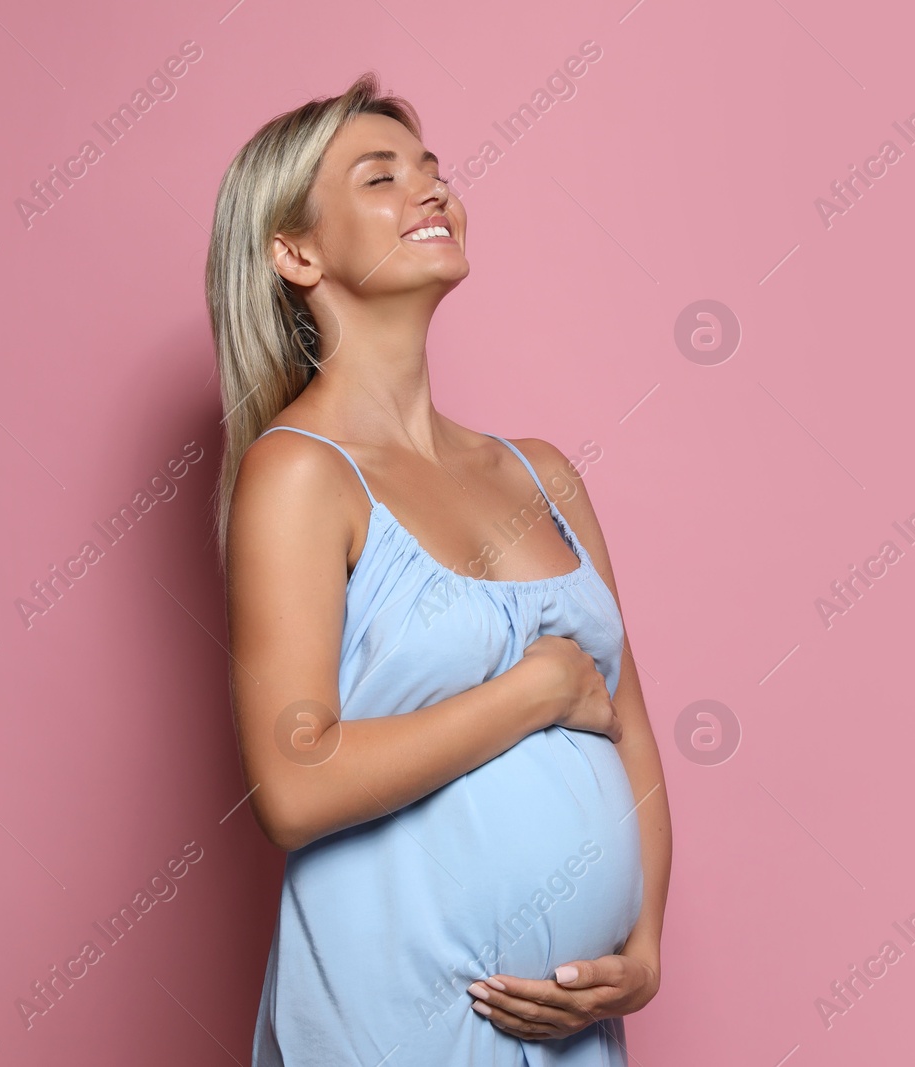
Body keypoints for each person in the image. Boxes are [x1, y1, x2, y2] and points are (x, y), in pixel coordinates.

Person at [205, 70, 672, 1065]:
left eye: (431, 170)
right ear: (295, 251)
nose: (430, 190)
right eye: (380, 178)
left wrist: (644, 947)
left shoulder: (539, 471)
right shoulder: (299, 474)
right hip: (395, 1017)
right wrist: (534, 689)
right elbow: (292, 784)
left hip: (571, 1029)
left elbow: (628, 725)